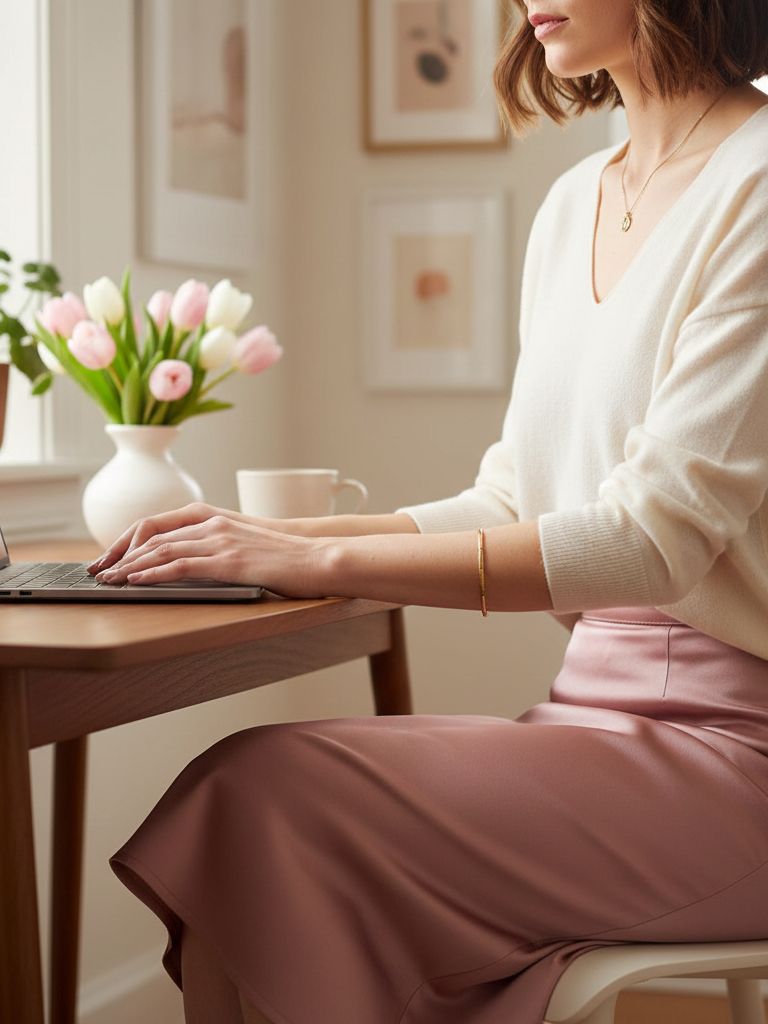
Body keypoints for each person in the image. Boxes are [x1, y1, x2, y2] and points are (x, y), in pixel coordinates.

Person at [92, 1, 768, 1021]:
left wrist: (321, 563)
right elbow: (512, 493)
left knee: (261, 796)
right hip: (594, 714)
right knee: (246, 802)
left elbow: (652, 541)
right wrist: (277, 542)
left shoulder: (758, 181)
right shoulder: (573, 200)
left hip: (736, 753)